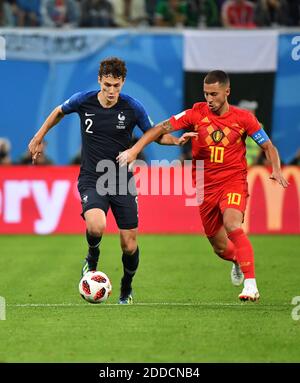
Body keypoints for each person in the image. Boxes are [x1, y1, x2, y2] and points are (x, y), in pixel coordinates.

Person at [28, 57, 191, 304]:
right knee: (96, 225)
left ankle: (126, 286)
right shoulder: (84, 100)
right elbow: (59, 112)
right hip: (92, 178)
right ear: (99, 81)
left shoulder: (132, 107)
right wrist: (39, 136)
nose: (111, 91)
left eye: (116, 85)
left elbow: (153, 134)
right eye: (107, 85)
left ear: (123, 82)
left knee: (129, 244)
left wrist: (175, 141)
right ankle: (92, 256)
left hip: (122, 181)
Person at [117, 70, 289, 302]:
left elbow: (269, 147)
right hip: (204, 187)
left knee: (232, 224)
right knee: (220, 248)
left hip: (233, 181)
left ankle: (251, 285)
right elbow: (160, 128)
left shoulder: (244, 118)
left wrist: (276, 169)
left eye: (214, 94)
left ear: (227, 92)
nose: (209, 98)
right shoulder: (196, 113)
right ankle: (238, 260)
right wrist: (135, 149)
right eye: (206, 93)